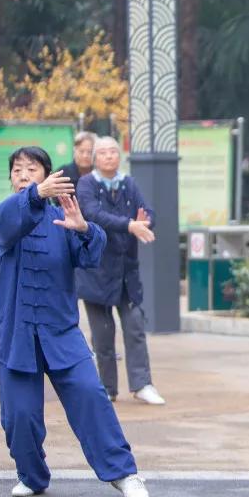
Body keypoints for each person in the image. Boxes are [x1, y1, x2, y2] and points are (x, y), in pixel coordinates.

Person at [0, 146, 148, 497]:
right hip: (16, 335)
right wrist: (34, 194)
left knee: (92, 396)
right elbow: (5, 223)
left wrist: (85, 230)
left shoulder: (64, 216)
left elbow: (91, 257)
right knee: (19, 417)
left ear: (48, 176)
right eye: (17, 170)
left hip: (61, 333)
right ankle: (31, 476)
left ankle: (124, 473)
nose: (24, 175)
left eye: (32, 169)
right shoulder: (6, 216)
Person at [75, 136, 165, 405]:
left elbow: (146, 211)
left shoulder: (128, 183)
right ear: (94, 158)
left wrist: (144, 221)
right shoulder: (87, 184)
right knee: (103, 334)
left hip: (127, 272)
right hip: (97, 272)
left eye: (113, 151)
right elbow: (92, 215)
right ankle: (107, 388)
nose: (109, 157)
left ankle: (142, 384)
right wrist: (129, 225)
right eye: (102, 152)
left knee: (135, 326)